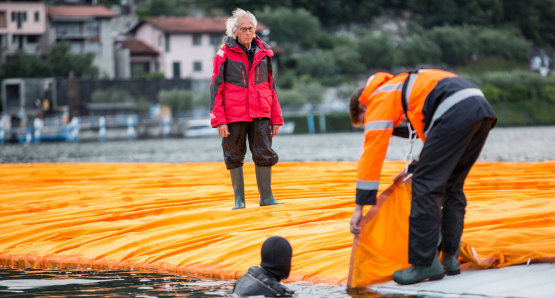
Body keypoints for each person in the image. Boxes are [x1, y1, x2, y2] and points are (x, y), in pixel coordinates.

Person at [348, 69, 497, 285]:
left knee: (425, 186)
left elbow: (372, 156)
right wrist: (415, 168)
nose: (368, 124)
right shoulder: (403, 89)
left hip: (455, 111)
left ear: (363, 107)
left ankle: (424, 263)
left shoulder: (378, 98)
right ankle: (450, 258)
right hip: (480, 109)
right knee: (452, 185)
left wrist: (359, 207)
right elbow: (439, 148)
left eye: (364, 121)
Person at [210, 8, 283, 210]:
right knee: (233, 154)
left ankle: (267, 198)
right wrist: (219, 120)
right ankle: (239, 201)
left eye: (251, 28)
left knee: (264, 152)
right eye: (244, 29)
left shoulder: (265, 52)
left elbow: (271, 86)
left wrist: (276, 118)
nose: (248, 32)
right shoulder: (223, 53)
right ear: (235, 31)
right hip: (234, 114)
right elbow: (216, 87)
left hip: (261, 112)